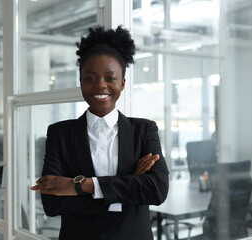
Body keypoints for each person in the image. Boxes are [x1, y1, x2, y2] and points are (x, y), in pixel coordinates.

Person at [30, 25, 169, 240]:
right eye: (91, 78)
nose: (100, 86)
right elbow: (53, 203)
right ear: (81, 82)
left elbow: (157, 190)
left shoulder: (144, 130)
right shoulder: (60, 133)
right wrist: (129, 184)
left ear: (122, 84)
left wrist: (81, 185)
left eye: (110, 78)